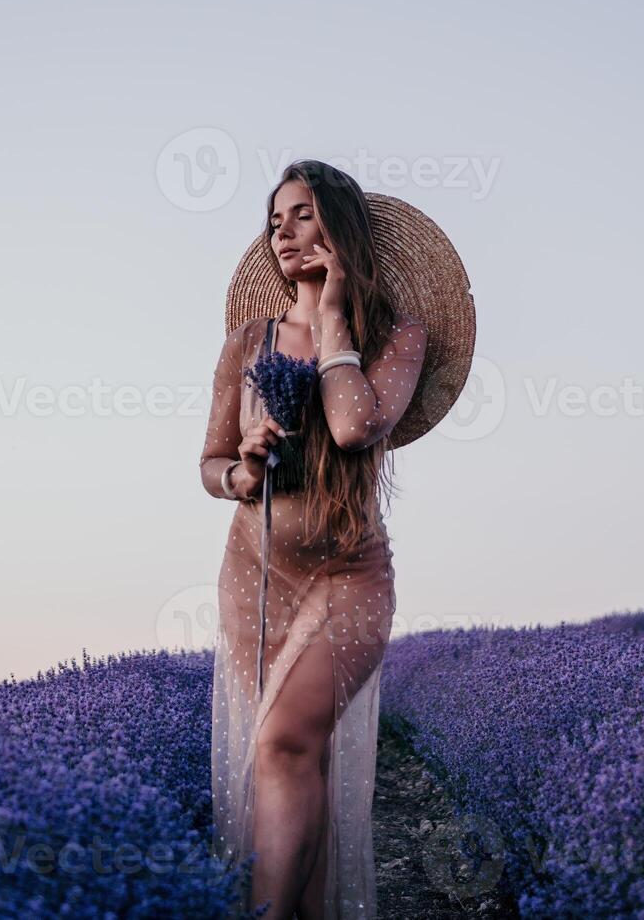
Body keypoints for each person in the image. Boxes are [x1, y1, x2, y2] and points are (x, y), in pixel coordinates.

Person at [200, 159, 442, 919]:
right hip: (255, 573)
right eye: (275, 221)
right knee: (297, 764)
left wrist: (333, 316)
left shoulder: (397, 336)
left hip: (349, 577)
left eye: (303, 215)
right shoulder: (248, 341)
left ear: (340, 226)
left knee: (280, 746)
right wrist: (243, 471)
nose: (285, 232)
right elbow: (208, 465)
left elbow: (354, 424)